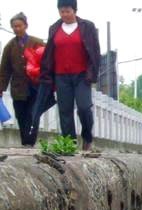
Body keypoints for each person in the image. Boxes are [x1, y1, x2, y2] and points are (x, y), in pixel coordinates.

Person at [40, 0, 101, 151]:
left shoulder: (87, 26)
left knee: (84, 107)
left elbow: (95, 51)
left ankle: (87, 137)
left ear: (75, 10)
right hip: (61, 76)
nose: (65, 14)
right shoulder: (54, 28)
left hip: (82, 76)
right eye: (62, 11)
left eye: (68, 11)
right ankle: (69, 144)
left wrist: (92, 73)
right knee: (65, 110)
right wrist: (46, 75)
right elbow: (49, 53)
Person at [0, 13, 44, 146]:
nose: (17, 29)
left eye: (19, 26)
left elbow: (46, 62)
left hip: (35, 86)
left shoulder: (37, 42)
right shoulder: (9, 46)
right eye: (14, 26)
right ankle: (25, 141)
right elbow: (5, 69)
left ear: (26, 26)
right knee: (20, 114)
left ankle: (30, 142)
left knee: (33, 114)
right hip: (18, 87)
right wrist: (1, 87)